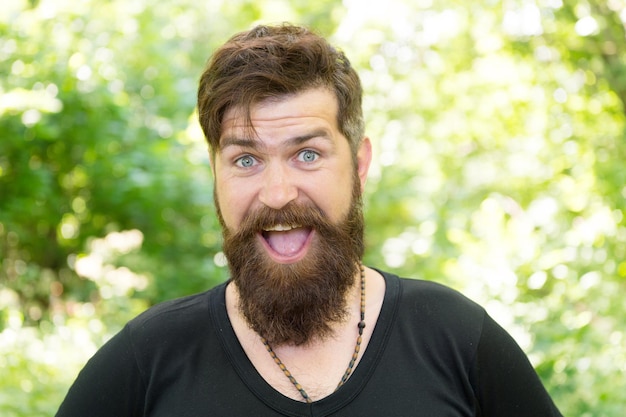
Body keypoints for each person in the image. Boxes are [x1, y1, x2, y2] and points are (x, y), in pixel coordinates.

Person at [56, 23, 563, 416]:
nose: (277, 195)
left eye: (308, 155)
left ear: (359, 166)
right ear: (215, 175)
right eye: (246, 160)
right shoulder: (146, 362)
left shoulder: (458, 339)